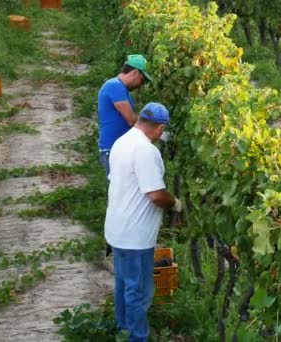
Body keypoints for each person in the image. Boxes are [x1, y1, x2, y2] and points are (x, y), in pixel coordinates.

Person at [104, 102, 183, 342]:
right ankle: (137, 337)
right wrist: (176, 204)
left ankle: (124, 330)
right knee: (138, 291)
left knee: (124, 285)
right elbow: (156, 193)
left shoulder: (122, 142)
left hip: (117, 229)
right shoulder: (146, 151)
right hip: (134, 237)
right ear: (159, 128)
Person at [98, 54, 152, 256]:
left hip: (119, 150)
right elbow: (130, 120)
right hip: (112, 150)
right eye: (142, 80)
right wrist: (153, 125)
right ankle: (115, 244)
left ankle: (119, 241)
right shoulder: (114, 86)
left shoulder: (118, 88)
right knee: (120, 195)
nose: (141, 84)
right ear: (135, 73)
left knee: (123, 194)